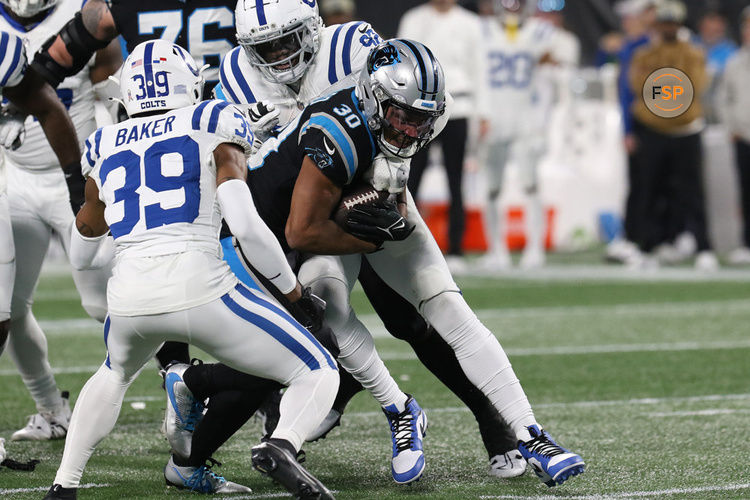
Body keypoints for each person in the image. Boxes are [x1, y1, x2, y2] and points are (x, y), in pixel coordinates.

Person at [235, 38, 585, 488]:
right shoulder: (336, 132)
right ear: (375, 98)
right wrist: (368, 238)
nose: (412, 129)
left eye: (423, 119)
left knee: (449, 308)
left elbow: (396, 170)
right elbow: (301, 231)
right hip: (321, 222)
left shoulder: (422, 113)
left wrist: (394, 212)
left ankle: (531, 434)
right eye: (403, 116)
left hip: (370, 198)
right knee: (326, 305)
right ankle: (398, 407)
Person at [43, 40, 338, 500]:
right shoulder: (213, 117)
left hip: (129, 299)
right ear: (190, 83)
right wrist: (294, 293)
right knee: (319, 368)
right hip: (204, 289)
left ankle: (64, 486)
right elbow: (244, 224)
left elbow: (83, 252)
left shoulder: (101, 145)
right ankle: (281, 445)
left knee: (112, 373)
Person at [30, 0, 247, 372]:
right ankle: (249, 382)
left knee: (155, 256)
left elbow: (45, 68)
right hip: (223, 130)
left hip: (142, 141)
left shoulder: (118, 6)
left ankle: (178, 372)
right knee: (247, 246)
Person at [0, 0, 122, 442]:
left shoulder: (86, 14)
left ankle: (180, 390)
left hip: (83, 179)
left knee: (105, 304)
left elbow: (114, 94)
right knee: (6, 309)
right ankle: (52, 410)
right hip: (16, 179)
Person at [0, 29, 83, 364]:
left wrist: (76, 185)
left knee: (3, 318)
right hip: (18, 183)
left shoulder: (4, 50)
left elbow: (48, 106)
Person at [398, 0, 490, 271]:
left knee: (456, 179)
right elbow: (403, 62)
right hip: (418, 109)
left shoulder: (471, 23)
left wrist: (484, 113)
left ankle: (456, 248)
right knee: (410, 178)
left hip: (459, 107)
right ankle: (402, 243)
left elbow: (480, 69)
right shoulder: (414, 19)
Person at [629, 0, 718, 271]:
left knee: (693, 191)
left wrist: (664, 88)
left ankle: (703, 246)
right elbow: (639, 85)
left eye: (673, 22)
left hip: (686, 130)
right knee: (650, 189)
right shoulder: (644, 54)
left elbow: (695, 86)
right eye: (664, 22)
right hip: (655, 130)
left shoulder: (692, 53)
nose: (669, 27)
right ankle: (648, 246)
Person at [477, 0, 558, 270]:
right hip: (494, 117)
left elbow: (547, 83)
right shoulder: (481, 30)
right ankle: (496, 249)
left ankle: (535, 247)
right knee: (491, 186)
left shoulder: (540, 32)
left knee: (530, 184)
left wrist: (542, 124)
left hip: (525, 117)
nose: (511, 7)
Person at [717, 6, 750, 265]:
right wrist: (732, 128)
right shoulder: (734, 62)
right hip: (744, 136)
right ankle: (747, 243)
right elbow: (723, 99)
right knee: (746, 191)